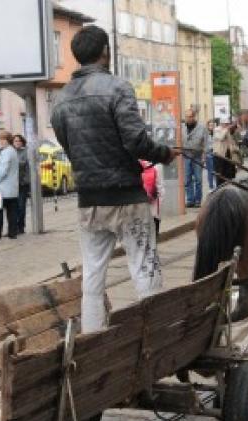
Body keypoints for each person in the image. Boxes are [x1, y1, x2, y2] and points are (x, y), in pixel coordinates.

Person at [50, 24, 176, 333]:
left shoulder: (61, 99)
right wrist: (164, 154)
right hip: (126, 198)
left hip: (89, 201)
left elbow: (69, 147)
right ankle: (155, 336)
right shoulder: (117, 87)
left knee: (92, 276)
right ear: (106, 52)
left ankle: (93, 339)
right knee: (144, 266)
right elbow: (136, 141)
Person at [183, 108, 208, 207]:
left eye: (190, 116)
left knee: (198, 179)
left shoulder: (202, 128)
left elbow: (206, 143)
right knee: (187, 179)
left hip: (197, 156)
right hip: (186, 156)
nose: (188, 119)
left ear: (194, 117)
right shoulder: (182, 127)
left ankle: (198, 200)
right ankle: (190, 200)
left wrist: (204, 156)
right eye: (186, 117)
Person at [140, 159, 164, 236]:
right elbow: (160, 190)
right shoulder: (157, 165)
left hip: (139, 210)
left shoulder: (136, 163)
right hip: (154, 210)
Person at [12, 134, 30, 234]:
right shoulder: (11, 152)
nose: (17, 142)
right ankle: (13, 227)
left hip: (22, 183)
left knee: (21, 206)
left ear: (22, 142)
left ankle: (21, 227)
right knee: (13, 207)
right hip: (12, 184)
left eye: (19, 141)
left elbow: (24, 165)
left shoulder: (25, 152)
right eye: (15, 141)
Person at [205, 119, 217, 190]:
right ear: (208, 126)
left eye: (212, 125)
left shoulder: (216, 133)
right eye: (210, 125)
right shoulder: (206, 134)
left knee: (216, 170)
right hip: (209, 153)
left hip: (216, 153)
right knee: (210, 171)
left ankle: (216, 185)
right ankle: (211, 186)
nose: (211, 127)